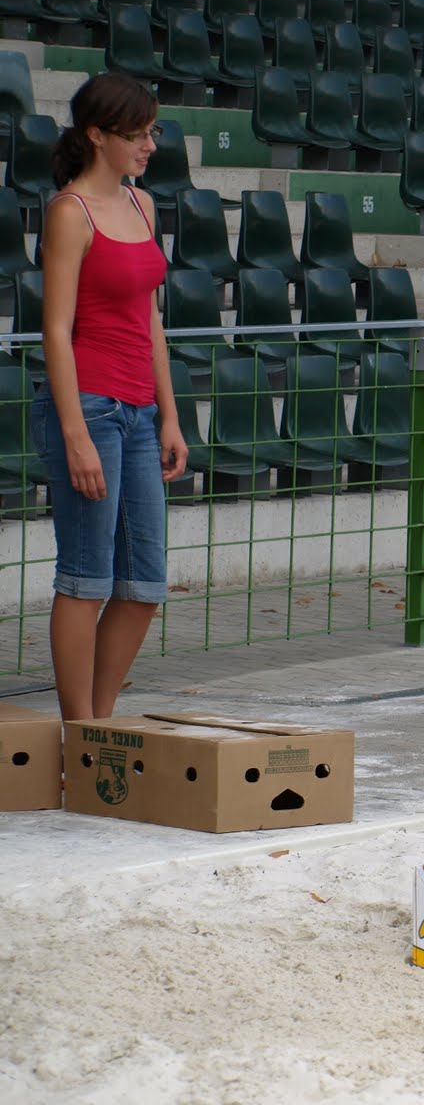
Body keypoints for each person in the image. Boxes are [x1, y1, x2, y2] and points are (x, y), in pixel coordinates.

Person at [31, 72, 186, 721]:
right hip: (89, 408)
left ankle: (99, 731)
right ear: (97, 135)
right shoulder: (71, 212)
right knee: (86, 578)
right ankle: (81, 733)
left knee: (144, 585)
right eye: (138, 134)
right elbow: (56, 330)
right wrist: (75, 435)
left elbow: (150, 320)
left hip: (140, 412)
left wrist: (170, 416)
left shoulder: (142, 205)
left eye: (152, 132)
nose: (150, 145)